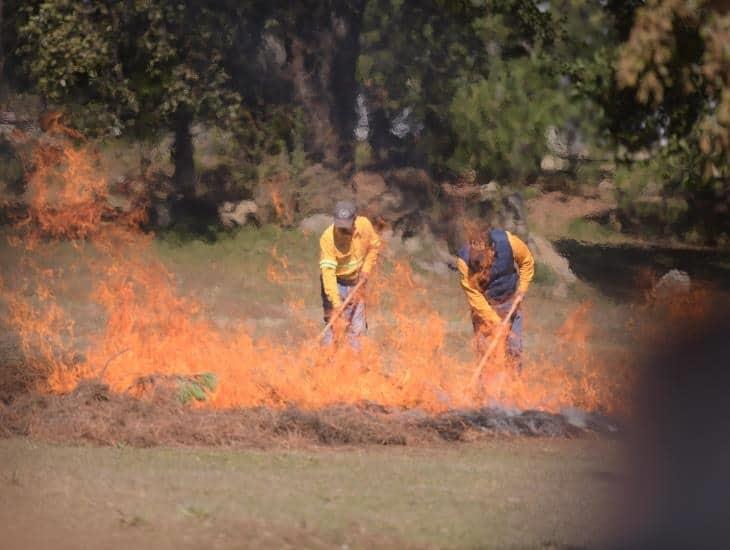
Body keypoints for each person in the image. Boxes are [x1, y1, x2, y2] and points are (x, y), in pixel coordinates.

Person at [455, 223, 534, 369]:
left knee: (514, 350)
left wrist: (521, 290)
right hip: (484, 308)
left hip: (511, 302)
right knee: (487, 355)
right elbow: (474, 295)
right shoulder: (464, 260)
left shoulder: (508, 242)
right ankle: (484, 391)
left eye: (481, 257)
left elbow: (526, 261)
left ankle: (513, 388)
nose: (479, 262)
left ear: (491, 250)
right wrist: (495, 322)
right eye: (475, 258)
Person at [319, 200, 381, 349]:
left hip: (357, 282)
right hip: (335, 283)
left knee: (356, 326)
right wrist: (336, 302)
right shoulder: (327, 238)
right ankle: (327, 362)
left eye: (346, 227)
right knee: (334, 324)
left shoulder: (364, 225)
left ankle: (354, 363)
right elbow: (328, 274)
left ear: (355, 220)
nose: (343, 231)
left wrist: (366, 270)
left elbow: (374, 246)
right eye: (340, 227)